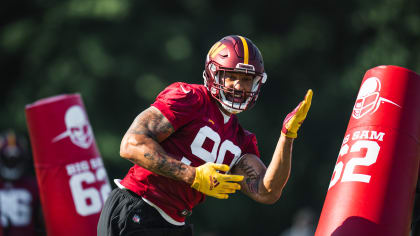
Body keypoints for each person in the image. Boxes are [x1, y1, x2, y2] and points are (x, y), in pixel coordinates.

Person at [97, 35, 313, 236]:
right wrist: (193, 176)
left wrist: (287, 136)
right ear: (214, 73)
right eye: (232, 77)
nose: (239, 86)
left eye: (247, 79)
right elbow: (131, 145)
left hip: (174, 222)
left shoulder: (240, 138)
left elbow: (267, 191)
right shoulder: (190, 98)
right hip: (139, 207)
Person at [0, 130, 44, 236]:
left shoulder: (34, 186)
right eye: (8, 159)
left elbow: (43, 222)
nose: (11, 161)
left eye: (14, 159)